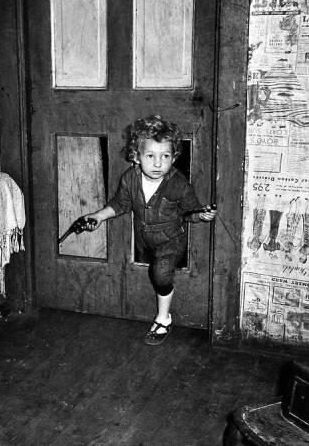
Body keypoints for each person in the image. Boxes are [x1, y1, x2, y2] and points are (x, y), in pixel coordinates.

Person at [83, 115, 216, 345]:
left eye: (165, 156)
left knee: (161, 274)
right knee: (149, 268)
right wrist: (98, 216)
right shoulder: (130, 178)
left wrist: (202, 215)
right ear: (136, 156)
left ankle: (163, 319)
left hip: (170, 239)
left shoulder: (178, 183)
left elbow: (190, 211)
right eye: (150, 156)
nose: (158, 164)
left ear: (173, 157)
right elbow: (120, 204)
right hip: (144, 237)